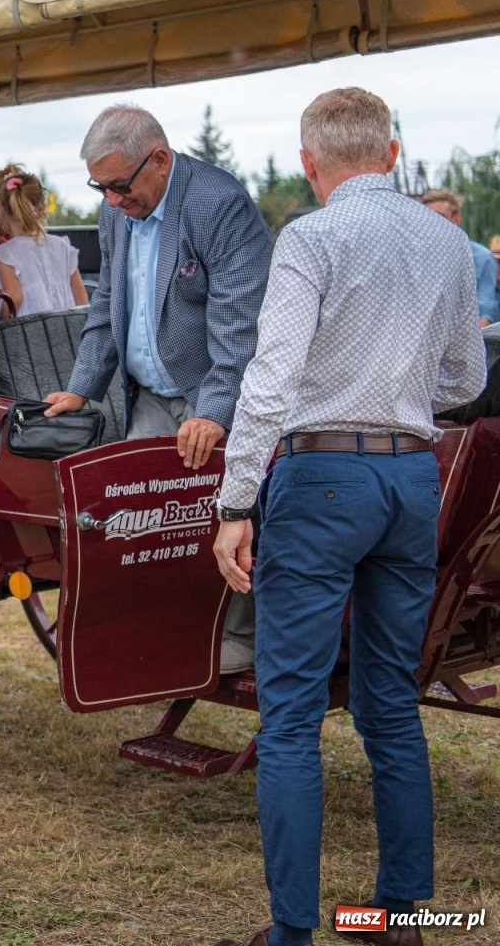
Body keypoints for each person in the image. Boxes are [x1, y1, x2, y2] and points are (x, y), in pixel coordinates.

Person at [208, 88, 486, 946]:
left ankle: (293, 932)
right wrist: (397, 395)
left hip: (321, 471)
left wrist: (235, 499)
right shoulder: (448, 240)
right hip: (410, 477)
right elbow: (466, 380)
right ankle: (395, 917)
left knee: (290, 711)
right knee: (390, 705)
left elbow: (270, 378)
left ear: (308, 163)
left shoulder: (313, 236)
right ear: (393, 154)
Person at [41, 103, 272, 673]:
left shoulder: (218, 204)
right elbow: (106, 301)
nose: (112, 200)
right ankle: (169, 632)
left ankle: (242, 637)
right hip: (146, 393)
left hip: (210, 392)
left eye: (119, 185)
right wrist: (81, 387)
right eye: (101, 187)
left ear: (161, 160)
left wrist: (215, 412)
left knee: (231, 514)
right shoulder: (116, 209)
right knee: (143, 518)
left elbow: (241, 325)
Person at [0, 164, 88, 315]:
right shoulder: (61, 245)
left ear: (3, 211)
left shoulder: (3, 254)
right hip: (66, 328)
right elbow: (80, 295)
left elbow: (14, 298)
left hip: (30, 333)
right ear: (43, 209)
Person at [421, 189, 496, 326]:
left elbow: (486, 307)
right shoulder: (416, 257)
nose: (432, 223)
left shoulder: (481, 258)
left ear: (456, 219)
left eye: (440, 217)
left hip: (466, 336)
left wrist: (476, 344)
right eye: (426, 218)